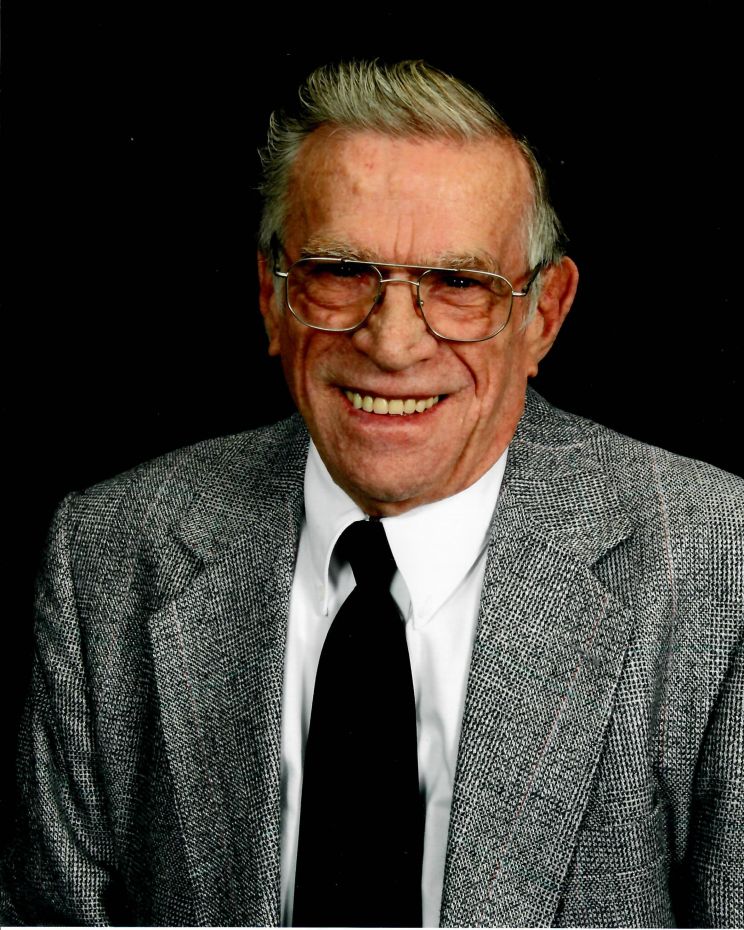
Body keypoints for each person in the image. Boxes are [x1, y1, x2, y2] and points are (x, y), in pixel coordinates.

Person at [2, 59, 742, 928]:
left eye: (459, 285)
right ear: (271, 298)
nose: (392, 344)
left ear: (543, 315)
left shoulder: (718, 562)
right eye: (341, 272)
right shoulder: (109, 551)